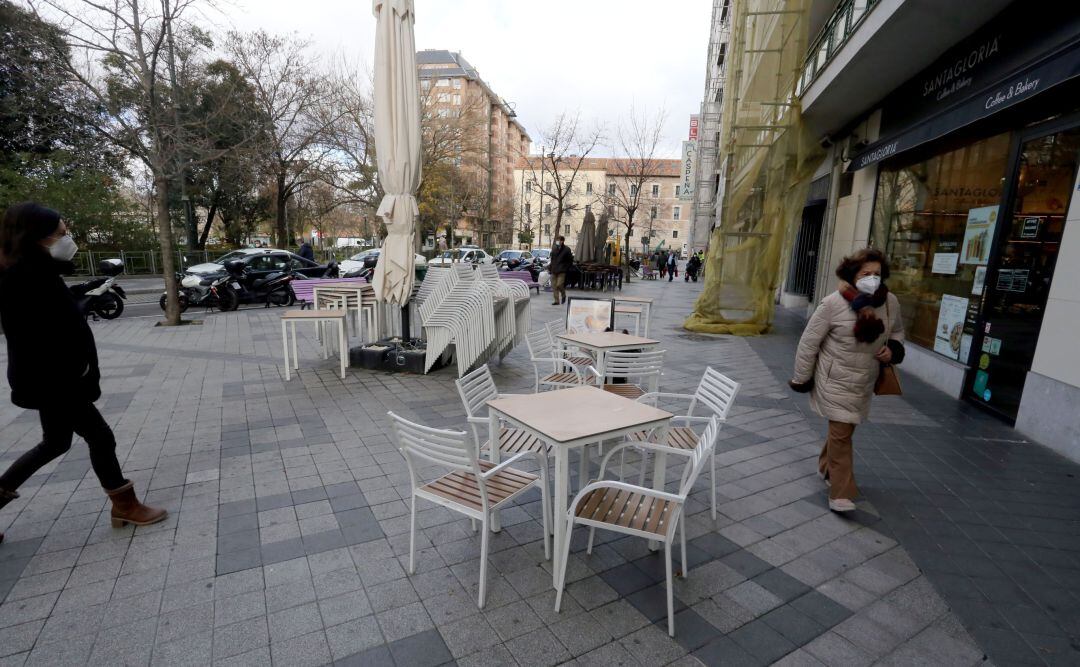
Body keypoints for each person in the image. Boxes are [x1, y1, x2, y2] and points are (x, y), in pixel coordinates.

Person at [0, 203, 166, 544]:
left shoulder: (34, 269)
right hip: (55, 379)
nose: (68, 238)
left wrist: (81, 294)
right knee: (100, 436)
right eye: (61, 234)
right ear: (36, 236)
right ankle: (125, 504)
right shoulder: (23, 275)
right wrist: (78, 361)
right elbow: (39, 330)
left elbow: (52, 311)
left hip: (51, 378)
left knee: (55, 443)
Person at [789, 248, 905, 513]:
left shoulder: (890, 303)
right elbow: (809, 343)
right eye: (866, 273)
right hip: (834, 380)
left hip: (864, 381)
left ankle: (824, 466)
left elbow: (897, 332)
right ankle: (840, 493)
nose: (872, 278)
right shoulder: (832, 303)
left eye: (877, 274)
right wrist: (802, 378)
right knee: (842, 434)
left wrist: (894, 351)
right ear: (854, 275)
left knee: (844, 430)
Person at [548, 235, 573, 305]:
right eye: (557, 240)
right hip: (554, 270)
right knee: (554, 286)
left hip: (562, 271)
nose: (557, 242)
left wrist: (566, 268)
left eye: (559, 240)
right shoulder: (554, 248)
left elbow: (570, 260)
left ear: (562, 241)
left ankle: (563, 294)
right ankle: (556, 301)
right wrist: (550, 267)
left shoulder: (567, 249)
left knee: (559, 285)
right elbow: (552, 259)